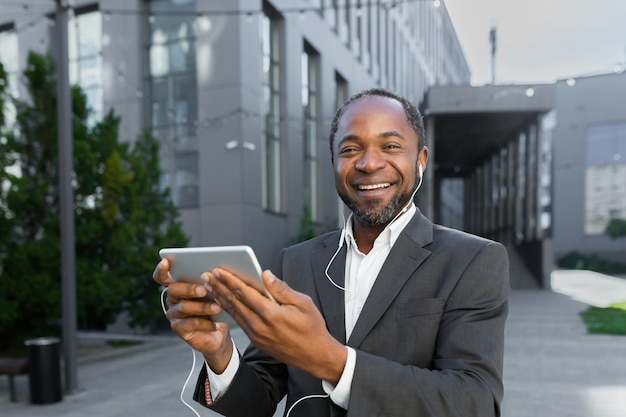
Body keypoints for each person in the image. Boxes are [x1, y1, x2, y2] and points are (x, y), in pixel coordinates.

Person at [153, 88, 510, 417]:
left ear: (421, 160)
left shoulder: (473, 261)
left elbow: (474, 401)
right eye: (350, 149)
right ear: (334, 163)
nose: (369, 164)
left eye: (390, 146)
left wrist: (332, 362)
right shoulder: (296, 262)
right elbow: (256, 402)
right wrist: (219, 352)